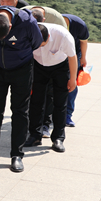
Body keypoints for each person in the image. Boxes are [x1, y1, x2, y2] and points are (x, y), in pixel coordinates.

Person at [0, 5, 43, 173]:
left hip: (22, 69)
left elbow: (36, 42)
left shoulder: (27, 21)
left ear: (10, 26)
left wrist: (17, 52)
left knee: (20, 111)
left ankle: (17, 155)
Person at [25, 23, 77, 153]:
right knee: (36, 101)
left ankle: (58, 138)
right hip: (38, 66)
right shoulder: (28, 33)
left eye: (42, 45)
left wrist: (73, 79)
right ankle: (35, 135)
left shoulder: (63, 35)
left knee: (60, 102)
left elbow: (72, 57)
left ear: (48, 36)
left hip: (60, 67)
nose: (40, 47)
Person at [62, 14, 89, 126]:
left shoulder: (79, 24)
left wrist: (83, 57)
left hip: (74, 54)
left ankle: (67, 115)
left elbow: (83, 42)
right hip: (55, 53)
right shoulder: (52, 22)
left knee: (71, 84)